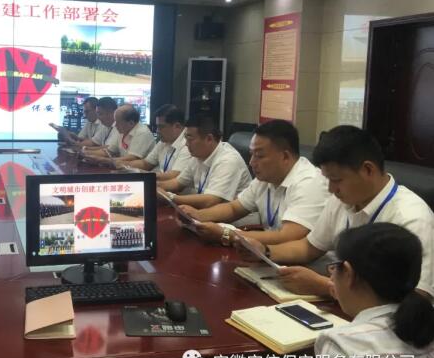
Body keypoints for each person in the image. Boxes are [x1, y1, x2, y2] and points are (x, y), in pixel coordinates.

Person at [239, 125, 434, 298]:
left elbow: (417, 297)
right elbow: (310, 247)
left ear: (368, 170)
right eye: (328, 180)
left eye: (337, 180)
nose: (331, 189)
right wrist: (266, 251)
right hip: (347, 304)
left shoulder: (411, 218)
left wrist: (326, 287)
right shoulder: (343, 199)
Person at [316, 223, 434, 358]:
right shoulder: (424, 327)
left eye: (334, 266)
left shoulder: (344, 345)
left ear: (348, 273)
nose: (332, 276)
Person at [179, 119, 329, 245]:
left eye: (259, 156)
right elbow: (234, 208)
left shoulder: (309, 183)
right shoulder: (265, 178)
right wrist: (198, 216)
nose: (251, 162)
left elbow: (288, 237)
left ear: (285, 156)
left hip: (308, 266)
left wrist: (227, 234)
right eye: (251, 155)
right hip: (269, 254)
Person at [157, 115, 251, 209]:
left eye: (190, 139)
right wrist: (155, 186)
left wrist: (170, 197)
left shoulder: (228, 160)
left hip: (235, 218)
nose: (186, 144)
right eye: (186, 138)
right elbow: (178, 183)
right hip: (207, 213)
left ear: (209, 139)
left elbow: (210, 201)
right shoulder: (199, 155)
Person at [116, 104, 192, 180]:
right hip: (161, 183)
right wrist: (124, 165)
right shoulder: (164, 141)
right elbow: (146, 163)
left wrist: (140, 172)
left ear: (177, 126)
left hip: (171, 186)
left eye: (161, 127)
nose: (157, 131)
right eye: (157, 126)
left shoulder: (188, 144)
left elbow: (174, 176)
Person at [83, 104, 155, 163]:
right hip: (125, 169)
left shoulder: (142, 133)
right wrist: (85, 153)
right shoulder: (123, 131)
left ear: (131, 123)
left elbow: (131, 158)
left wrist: (102, 160)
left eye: (118, 122)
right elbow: (109, 151)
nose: (115, 125)